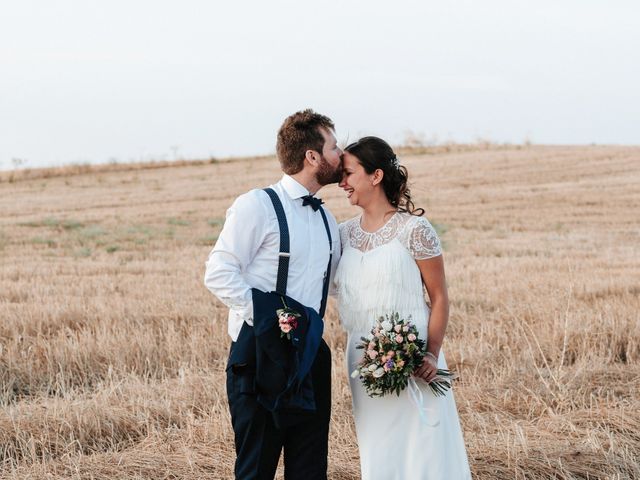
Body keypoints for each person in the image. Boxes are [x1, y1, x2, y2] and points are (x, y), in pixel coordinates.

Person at [204, 109, 342, 480]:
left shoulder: (328, 220)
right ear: (312, 157)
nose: (340, 155)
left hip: (311, 358)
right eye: (334, 147)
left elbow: (337, 288)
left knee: (311, 471)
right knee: (256, 471)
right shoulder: (257, 205)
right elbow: (218, 272)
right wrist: (275, 319)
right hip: (259, 356)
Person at [334, 136, 471, 479]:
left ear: (375, 176)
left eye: (349, 173)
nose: (342, 183)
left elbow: (439, 297)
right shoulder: (342, 235)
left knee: (424, 451)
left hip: (415, 356)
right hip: (362, 361)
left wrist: (430, 353)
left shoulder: (415, 230)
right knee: (380, 451)